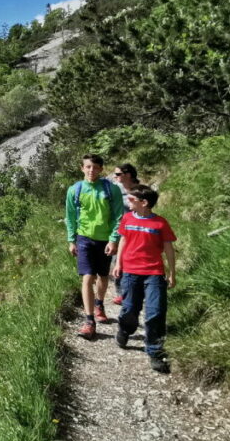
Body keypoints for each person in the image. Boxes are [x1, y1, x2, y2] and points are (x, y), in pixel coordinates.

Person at [112, 184, 177, 374]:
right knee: (130, 308)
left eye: (131, 199)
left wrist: (172, 273)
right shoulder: (127, 218)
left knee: (156, 311)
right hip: (131, 271)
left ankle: (155, 351)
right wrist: (118, 263)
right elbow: (123, 240)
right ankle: (125, 329)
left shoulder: (160, 223)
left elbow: (168, 249)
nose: (128, 202)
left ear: (144, 203)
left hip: (154, 272)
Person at [65, 153, 124, 339]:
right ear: (82, 168)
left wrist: (114, 239)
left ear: (101, 169)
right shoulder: (74, 190)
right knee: (87, 277)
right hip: (84, 239)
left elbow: (118, 216)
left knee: (103, 276)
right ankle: (89, 321)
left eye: (95, 167)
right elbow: (71, 217)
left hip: (105, 239)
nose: (91, 170)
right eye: (88, 167)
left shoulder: (111, 190)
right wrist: (71, 240)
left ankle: (99, 303)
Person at [111, 163, 140, 304]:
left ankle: (135, 289)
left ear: (128, 175)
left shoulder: (140, 190)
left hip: (137, 231)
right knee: (118, 260)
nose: (115, 177)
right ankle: (121, 293)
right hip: (120, 230)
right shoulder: (117, 190)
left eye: (118, 174)